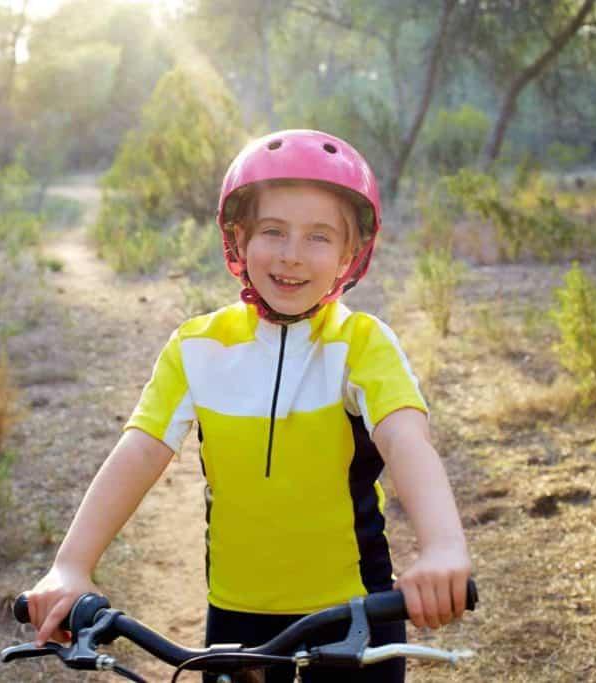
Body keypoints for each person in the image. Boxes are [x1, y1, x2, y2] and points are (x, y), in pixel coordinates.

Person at [25, 129, 472, 682]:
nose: (291, 254)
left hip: (355, 612)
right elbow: (139, 450)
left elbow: (406, 441)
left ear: (349, 254)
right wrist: (71, 565)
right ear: (238, 239)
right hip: (236, 619)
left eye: (318, 237)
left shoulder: (361, 343)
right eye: (273, 231)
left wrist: (442, 546)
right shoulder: (196, 346)